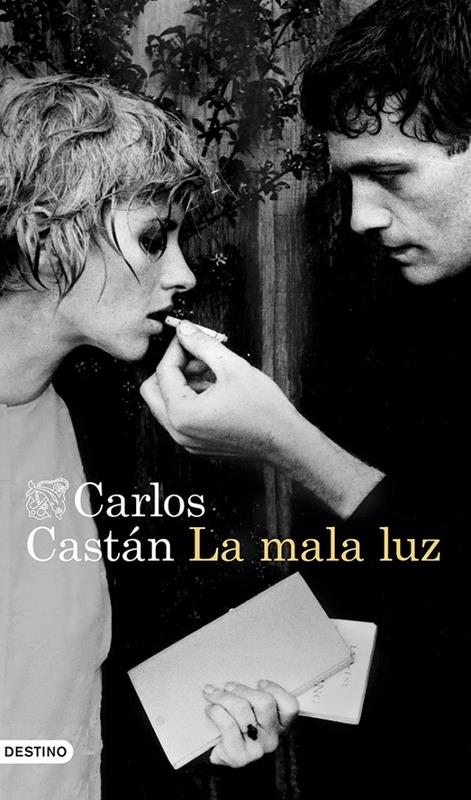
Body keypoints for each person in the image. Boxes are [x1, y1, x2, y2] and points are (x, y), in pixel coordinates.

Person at [141, 0, 470, 776]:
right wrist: (188, 705)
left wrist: (287, 443)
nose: (359, 218)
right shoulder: (402, 305)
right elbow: (389, 581)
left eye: (388, 175)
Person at [0, 73, 298, 800]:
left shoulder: (68, 416)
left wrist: (197, 726)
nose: (184, 273)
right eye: (152, 238)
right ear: (46, 235)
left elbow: (51, 709)